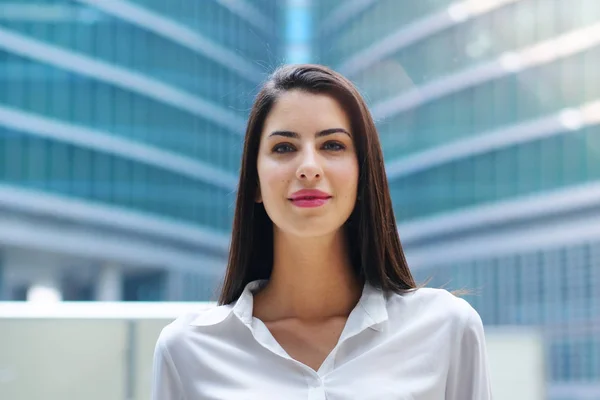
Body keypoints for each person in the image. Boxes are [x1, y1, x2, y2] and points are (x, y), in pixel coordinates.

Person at [152, 64, 492, 399]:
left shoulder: (446, 328)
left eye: (332, 145)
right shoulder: (186, 351)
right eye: (284, 147)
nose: (309, 168)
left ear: (362, 174)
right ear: (254, 181)